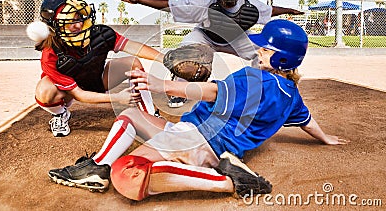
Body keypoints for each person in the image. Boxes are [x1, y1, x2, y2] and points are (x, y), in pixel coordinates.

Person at [48, 20, 348, 200]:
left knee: (127, 147)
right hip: (206, 145)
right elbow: (306, 120)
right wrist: (325, 138)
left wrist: (160, 85)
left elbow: (212, 91)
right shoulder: (291, 95)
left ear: (283, 60)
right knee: (129, 149)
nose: (258, 51)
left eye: (266, 50)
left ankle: (96, 169)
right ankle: (226, 179)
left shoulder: (254, 77)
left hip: (195, 138)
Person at [115, 0, 304, 108]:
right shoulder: (205, 2)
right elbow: (171, 5)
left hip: (237, 38)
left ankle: (261, 88)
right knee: (188, 57)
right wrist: (138, 0)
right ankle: (179, 90)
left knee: (262, 54)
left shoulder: (250, 5)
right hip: (205, 36)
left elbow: (269, 11)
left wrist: (287, 10)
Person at [34, 0, 164, 137]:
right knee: (44, 89)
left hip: (98, 80)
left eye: (79, 18)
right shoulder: (50, 55)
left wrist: (165, 58)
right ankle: (60, 114)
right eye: (71, 21)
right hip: (70, 92)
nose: (79, 24)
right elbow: (79, 95)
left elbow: (133, 47)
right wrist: (116, 98)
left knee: (132, 63)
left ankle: (149, 114)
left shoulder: (98, 34)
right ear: (54, 26)